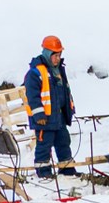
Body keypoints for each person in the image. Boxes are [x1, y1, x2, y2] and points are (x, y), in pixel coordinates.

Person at [23, 36, 74, 181]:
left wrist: (69, 110)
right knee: (44, 146)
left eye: (59, 55)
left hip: (59, 117)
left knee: (64, 142)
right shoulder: (35, 73)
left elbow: (64, 92)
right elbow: (32, 97)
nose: (57, 58)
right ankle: (43, 173)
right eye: (55, 55)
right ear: (47, 53)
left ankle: (67, 171)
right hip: (44, 119)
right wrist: (39, 115)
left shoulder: (58, 71)